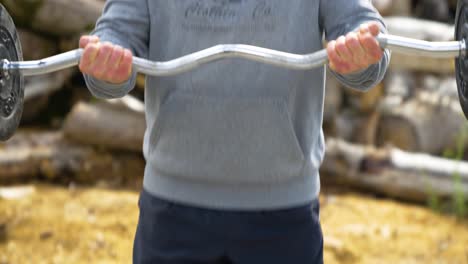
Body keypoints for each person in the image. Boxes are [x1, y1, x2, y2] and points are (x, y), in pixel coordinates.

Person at [80, 0, 389, 263]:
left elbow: (366, 35)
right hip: (171, 214)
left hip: (284, 217)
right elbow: (115, 36)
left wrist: (360, 54)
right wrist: (107, 63)